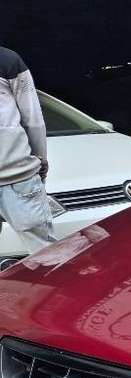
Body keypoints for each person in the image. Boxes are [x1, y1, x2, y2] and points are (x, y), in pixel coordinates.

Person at [0, 46, 55, 254]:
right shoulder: (7, 59)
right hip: (18, 175)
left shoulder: (7, 61)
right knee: (46, 256)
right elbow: (33, 119)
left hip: (18, 178)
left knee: (47, 256)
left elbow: (34, 120)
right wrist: (40, 159)